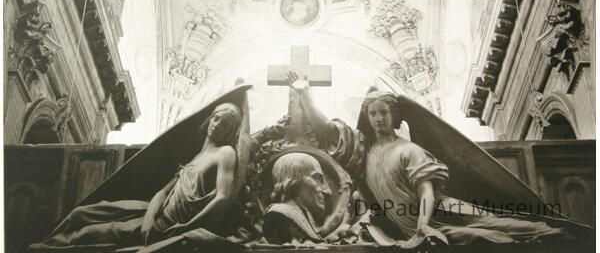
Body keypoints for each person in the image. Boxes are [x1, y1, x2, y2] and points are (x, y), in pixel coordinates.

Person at [287, 72, 586, 247]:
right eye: (373, 113)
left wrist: (423, 226)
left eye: (384, 112)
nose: (378, 118)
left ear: (395, 115)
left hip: (440, 211)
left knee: (497, 224)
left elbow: (426, 191)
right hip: (417, 228)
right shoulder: (365, 152)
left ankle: (559, 232)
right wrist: (304, 95)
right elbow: (327, 130)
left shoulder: (408, 150)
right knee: (487, 237)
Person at [33, 99, 247, 250]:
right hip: (151, 213)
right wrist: (149, 219)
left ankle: (43, 249)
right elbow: (163, 193)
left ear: (230, 132)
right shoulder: (196, 157)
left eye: (225, 125)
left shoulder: (225, 153)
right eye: (217, 118)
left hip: (167, 226)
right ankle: (42, 242)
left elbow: (223, 198)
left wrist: (188, 227)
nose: (217, 125)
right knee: (81, 213)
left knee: (87, 234)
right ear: (210, 118)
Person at [263, 152, 332, 244]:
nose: (328, 191)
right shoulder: (280, 213)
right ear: (294, 182)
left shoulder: (307, 216)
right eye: (317, 178)